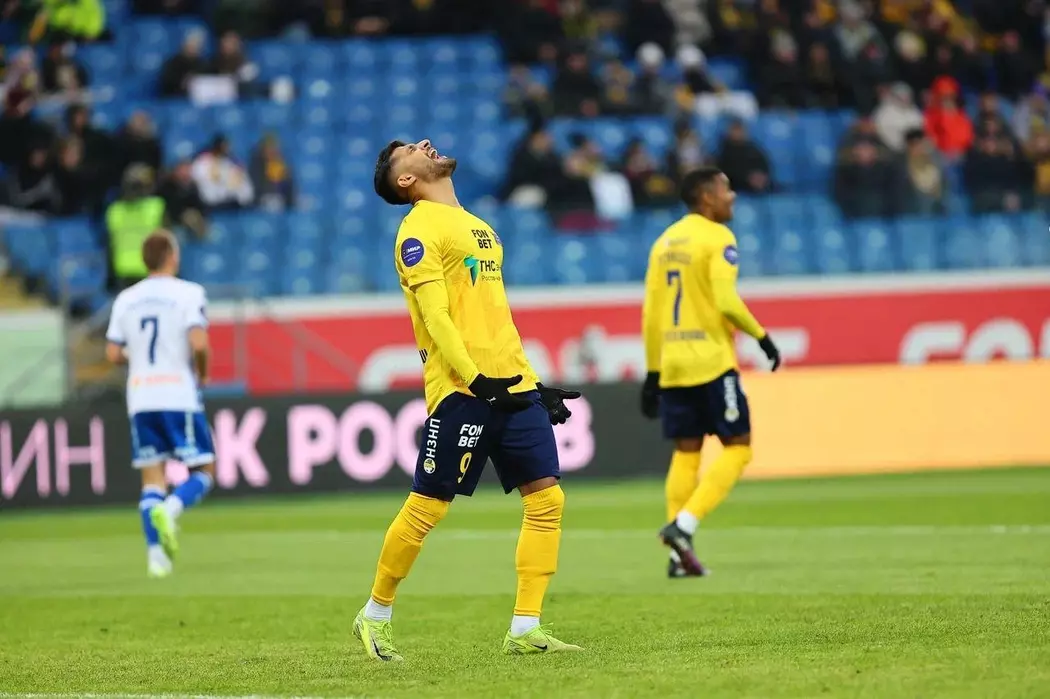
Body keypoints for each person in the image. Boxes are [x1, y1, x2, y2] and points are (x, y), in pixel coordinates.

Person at [360, 138, 584, 660]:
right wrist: (476, 379)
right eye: (409, 150)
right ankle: (375, 614)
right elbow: (436, 316)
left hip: (512, 385)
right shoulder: (417, 229)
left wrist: (532, 383)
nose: (424, 144)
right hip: (463, 389)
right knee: (428, 506)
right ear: (405, 180)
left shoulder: (480, 227)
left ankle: (525, 627)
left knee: (547, 500)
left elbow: (494, 317)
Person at [639, 166, 780, 578]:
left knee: (686, 452)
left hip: (673, 363)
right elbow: (726, 299)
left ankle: (677, 558)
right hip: (711, 361)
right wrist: (762, 336)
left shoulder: (663, 242)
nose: (731, 196)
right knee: (739, 447)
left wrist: (652, 373)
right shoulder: (718, 237)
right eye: (726, 189)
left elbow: (651, 314)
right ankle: (683, 526)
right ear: (706, 197)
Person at [104, 230, 215, 580]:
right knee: (204, 470)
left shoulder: (126, 299)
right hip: (176, 393)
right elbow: (199, 343)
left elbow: (112, 353)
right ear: (171, 256)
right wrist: (202, 373)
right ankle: (171, 509)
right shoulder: (189, 293)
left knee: (152, 478)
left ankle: (157, 560)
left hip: (141, 396)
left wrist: (137, 356)